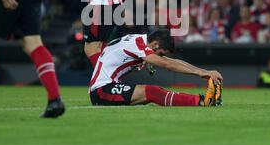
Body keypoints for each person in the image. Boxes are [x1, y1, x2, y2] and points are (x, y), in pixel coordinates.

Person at [89, 29, 223, 107]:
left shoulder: (139, 42)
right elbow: (167, 65)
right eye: (160, 54)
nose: (159, 58)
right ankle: (201, 102)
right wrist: (200, 72)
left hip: (109, 86)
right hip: (101, 90)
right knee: (153, 92)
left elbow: (170, 61)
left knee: (151, 92)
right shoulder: (137, 44)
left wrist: (203, 71)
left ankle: (203, 101)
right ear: (155, 44)